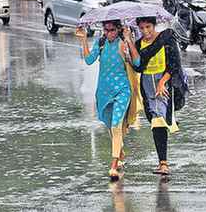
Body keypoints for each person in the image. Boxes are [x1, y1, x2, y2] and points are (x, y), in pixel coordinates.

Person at [76, 20, 141, 181]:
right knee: (110, 125)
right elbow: (89, 60)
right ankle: (119, 152)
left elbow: (138, 63)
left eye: (112, 30)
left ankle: (113, 165)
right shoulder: (101, 42)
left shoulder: (123, 43)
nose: (109, 33)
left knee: (116, 125)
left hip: (122, 90)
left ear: (118, 29)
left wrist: (129, 41)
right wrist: (83, 39)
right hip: (104, 91)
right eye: (106, 30)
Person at [123, 16, 188, 176]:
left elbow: (174, 65)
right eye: (142, 28)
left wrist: (162, 82)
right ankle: (162, 161)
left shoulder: (166, 39)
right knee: (154, 121)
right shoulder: (138, 44)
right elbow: (138, 67)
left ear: (154, 25)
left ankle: (163, 163)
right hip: (147, 86)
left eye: (149, 27)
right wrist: (129, 42)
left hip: (164, 85)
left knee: (158, 120)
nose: (146, 31)